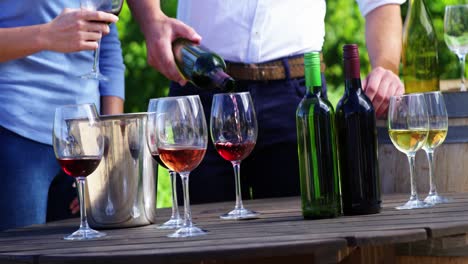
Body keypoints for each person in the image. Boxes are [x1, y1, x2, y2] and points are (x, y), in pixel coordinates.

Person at [127, 0, 405, 204]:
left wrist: (387, 66)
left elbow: (382, 4)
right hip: (201, 84)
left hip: (297, 95)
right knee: (201, 238)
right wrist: (151, 20)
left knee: (301, 236)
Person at [0, 1, 125, 230]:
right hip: (14, 134)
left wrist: (110, 146)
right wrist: (46, 35)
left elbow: (108, 48)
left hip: (87, 142)